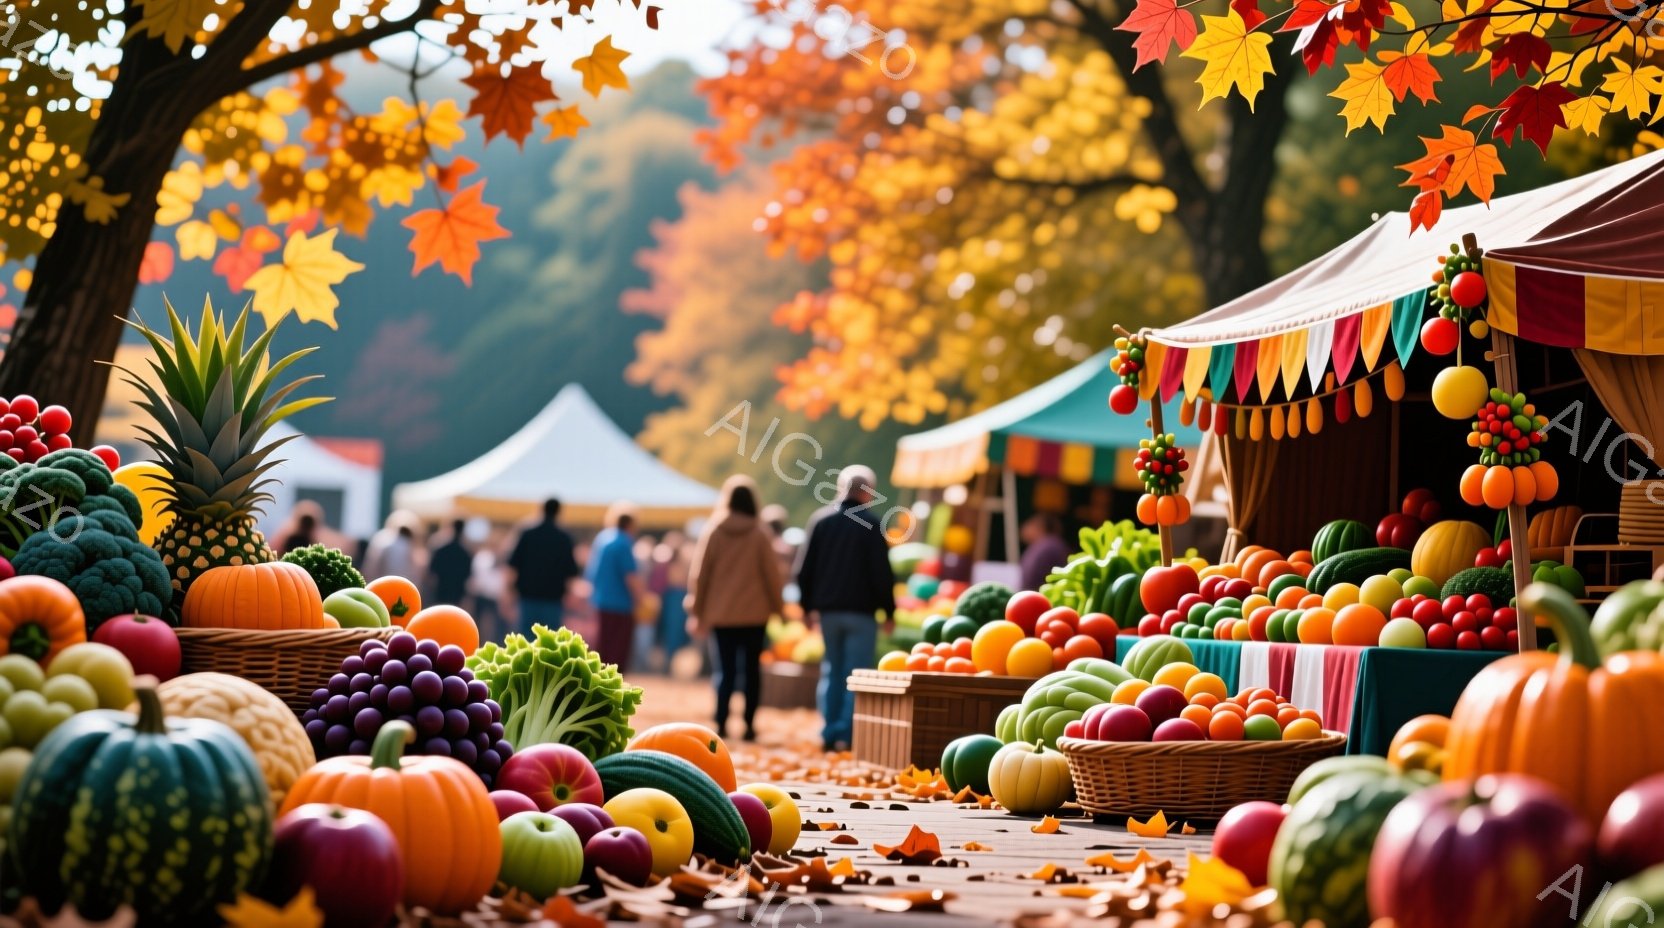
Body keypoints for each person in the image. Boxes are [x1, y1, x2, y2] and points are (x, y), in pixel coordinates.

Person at [794, 465, 896, 752]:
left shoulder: (821, 521)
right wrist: (889, 612)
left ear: (841, 488)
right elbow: (882, 573)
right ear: (867, 492)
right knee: (856, 673)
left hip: (828, 613)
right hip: (862, 614)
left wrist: (805, 607)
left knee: (832, 670)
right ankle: (847, 734)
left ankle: (828, 731)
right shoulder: (872, 525)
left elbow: (804, 570)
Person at [687, 477, 784, 741]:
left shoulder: (714, 531)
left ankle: (720, 722)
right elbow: (772, 575)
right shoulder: (760, 533)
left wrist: (697, 611)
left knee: (725, 671)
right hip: (755, 615)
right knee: (752, 671)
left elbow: (700, 574)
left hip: (721, 615)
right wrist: (779, 608)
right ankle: (750, 725)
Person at [506, 498, 580, 633]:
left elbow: (513, 566)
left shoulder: (527, 534)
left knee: (526, 644)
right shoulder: (564, 538)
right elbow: (571, 573)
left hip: (528, 597)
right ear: (558, 512)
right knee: (549, 644)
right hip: (553, 600)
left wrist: (509, 592)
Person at [586, 503, 642, 669]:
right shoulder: (624, 543)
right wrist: (641, 599)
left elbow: (592, 573)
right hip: (621, 605)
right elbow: (630, 576)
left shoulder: (602, 539)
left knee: (602, 647)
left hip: (600, 601)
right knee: (618, 651)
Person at [651, 530, 693, 673]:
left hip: (676, 598)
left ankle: (669, 662)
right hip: (672, 598)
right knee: (670, 633)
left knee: (675, 633)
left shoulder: (682, 561)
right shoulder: (667, 561)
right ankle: (668, 662)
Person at [363, 510, 425, 581]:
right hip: (404, 587)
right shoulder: (413, 546)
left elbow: (370, 568)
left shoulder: (381, 540)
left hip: (382, 585)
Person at [1018, 512, 1071, 591]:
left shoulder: (1048, 545)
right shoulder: (1048, 544)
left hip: (1041, 596)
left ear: (1039, 526)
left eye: (1029, 524)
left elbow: (1032, 580)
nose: (1024, 528)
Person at [427, 518, 473, 606]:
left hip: (441, 593)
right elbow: (468, 578)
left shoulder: (441, 550)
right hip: (457, 596)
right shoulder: (466, 553)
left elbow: (431, 574)